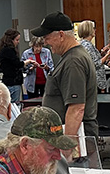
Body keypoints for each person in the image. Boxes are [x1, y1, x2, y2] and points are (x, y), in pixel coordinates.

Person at [32, 11, 98, 139]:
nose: (45, 42)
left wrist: (67, 146)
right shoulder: (70, 57)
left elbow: (76, 108)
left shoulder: (73, 61)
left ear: (61, 35)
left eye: (47, 37)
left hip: (76, 135)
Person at [77, 20, 107, 92]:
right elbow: (95, 64)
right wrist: (108, 54)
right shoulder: (88, 46)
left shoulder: (83, 44)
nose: (95, 30)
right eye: (93, 28)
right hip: (95, 81)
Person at [0, 28, 25, 106]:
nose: (18, 42)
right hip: (13, 82)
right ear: (11, 40)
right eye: (17, 40)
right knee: (14, 106)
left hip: (8, 81)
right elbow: (17, 64)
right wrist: (26, 62)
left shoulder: (3, 50)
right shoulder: (9, 51)